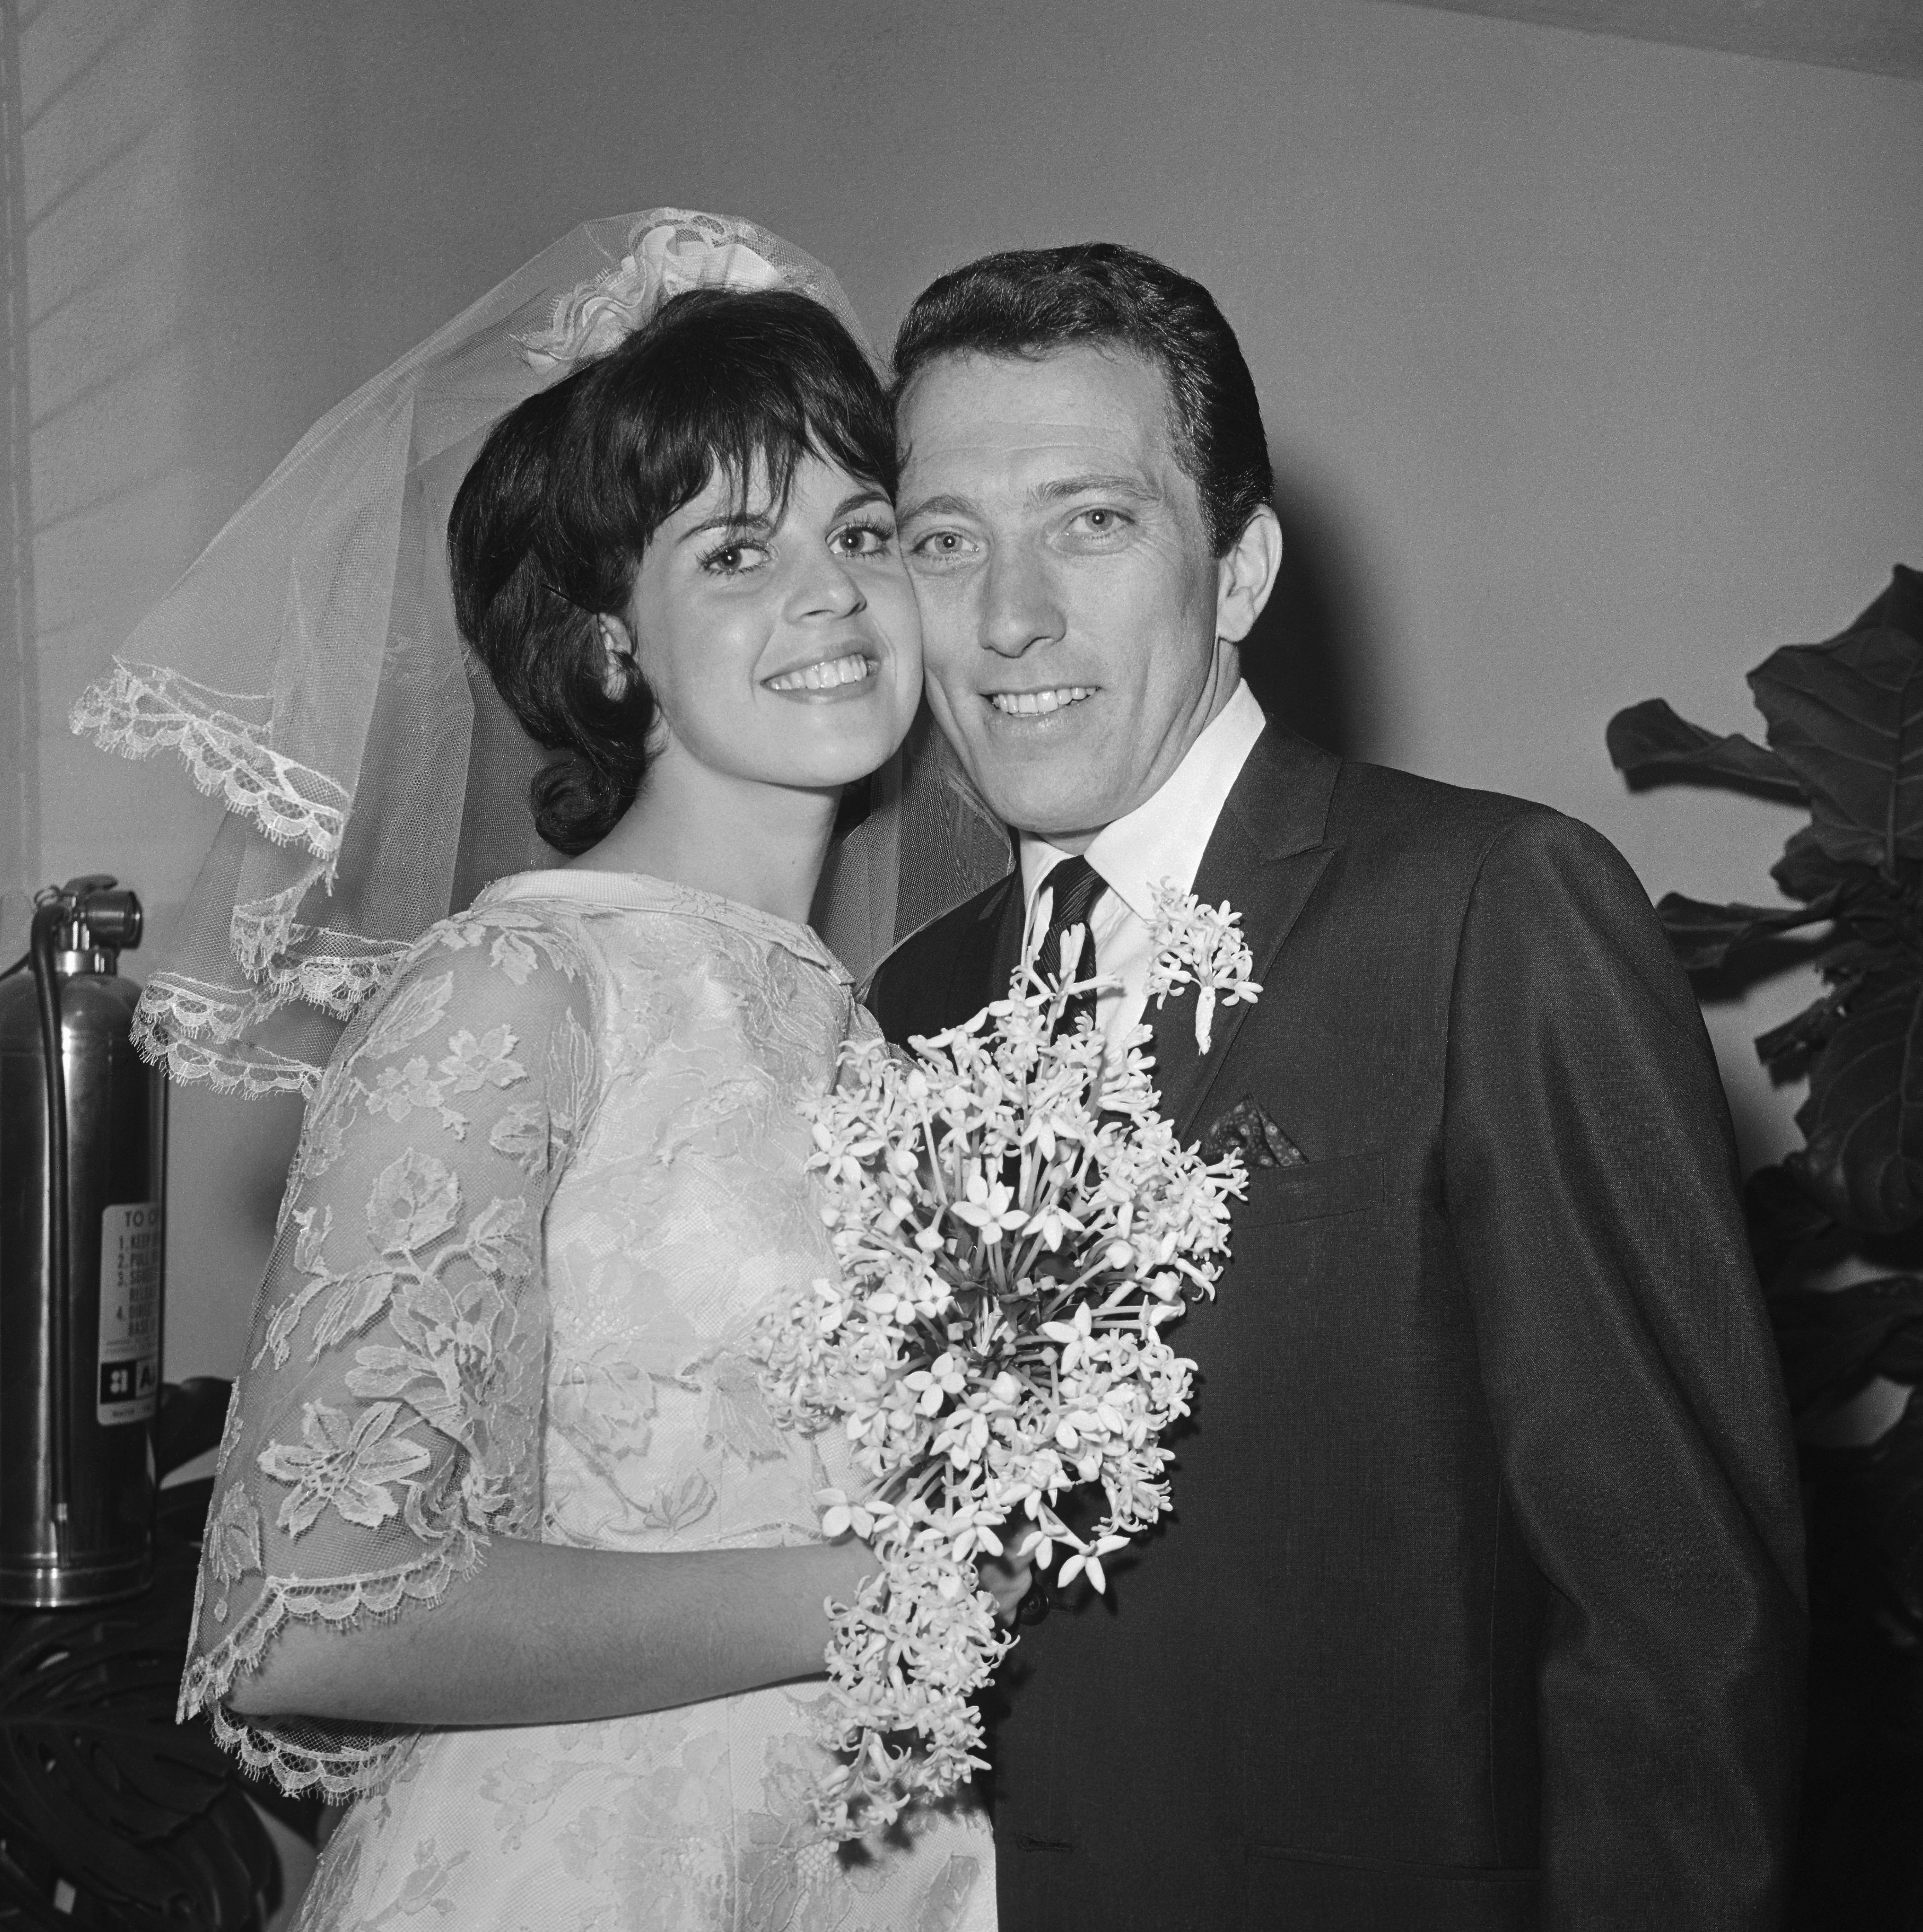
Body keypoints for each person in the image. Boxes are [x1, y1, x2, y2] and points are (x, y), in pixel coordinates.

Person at [864, 243, 1807, 1931]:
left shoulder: (1489, 908)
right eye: (946, 542)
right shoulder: (913, 1000)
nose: (1006, 618)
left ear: (1236, 571)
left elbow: (1679, 1615)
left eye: (1091, 523)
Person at [174, 273, 1027, 1929]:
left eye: (861, 534)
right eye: (733, 554)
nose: (828, 599)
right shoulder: (514, 991)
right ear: (610, 642)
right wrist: (875, 1597)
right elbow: (313, 1612)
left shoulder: (886, 1035)